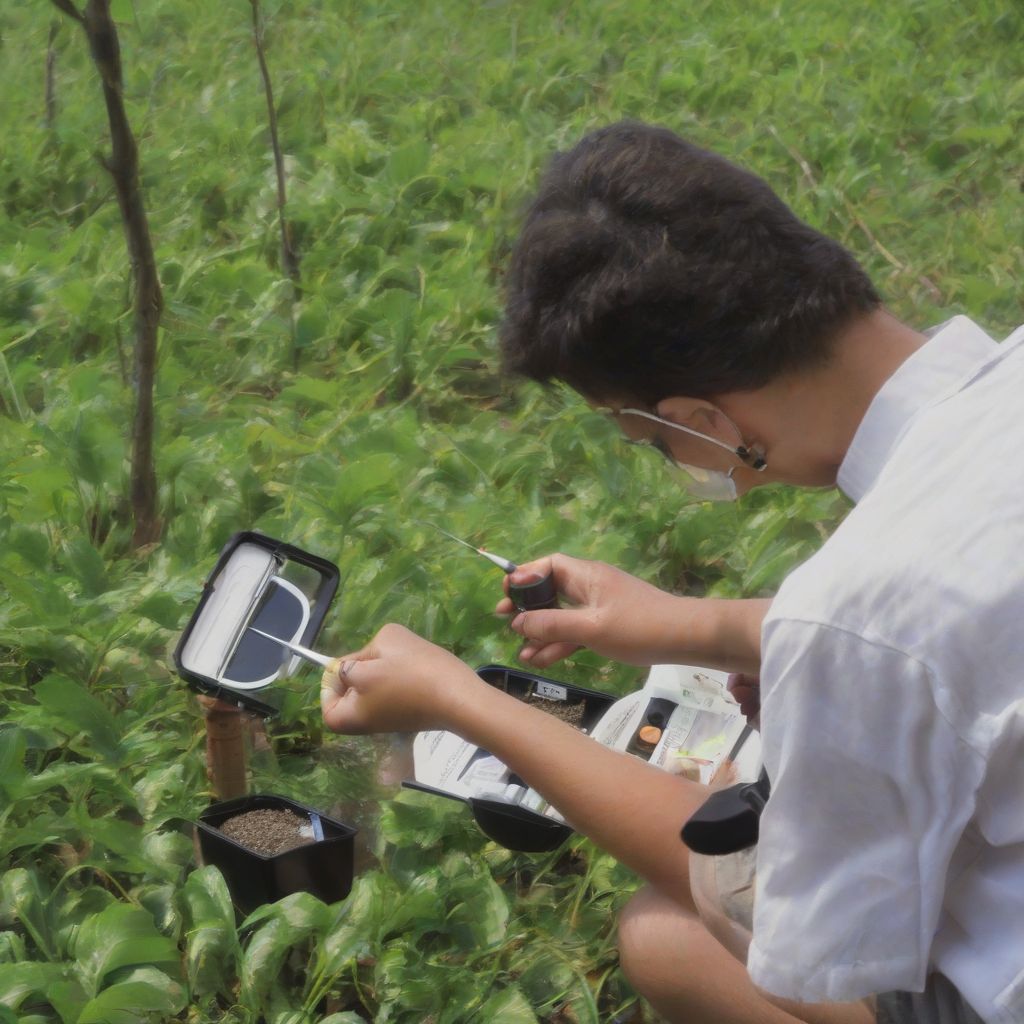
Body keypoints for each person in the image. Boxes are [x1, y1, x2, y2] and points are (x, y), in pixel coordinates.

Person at [320, 121, 1024, 1024]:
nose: (675, 464)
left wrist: (466, 704)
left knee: (681, 925)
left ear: (706, 421)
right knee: (663, 935)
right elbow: (957, 612)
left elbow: (801, 953)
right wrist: (681, 624)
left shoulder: (851, 619)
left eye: (658, 444)